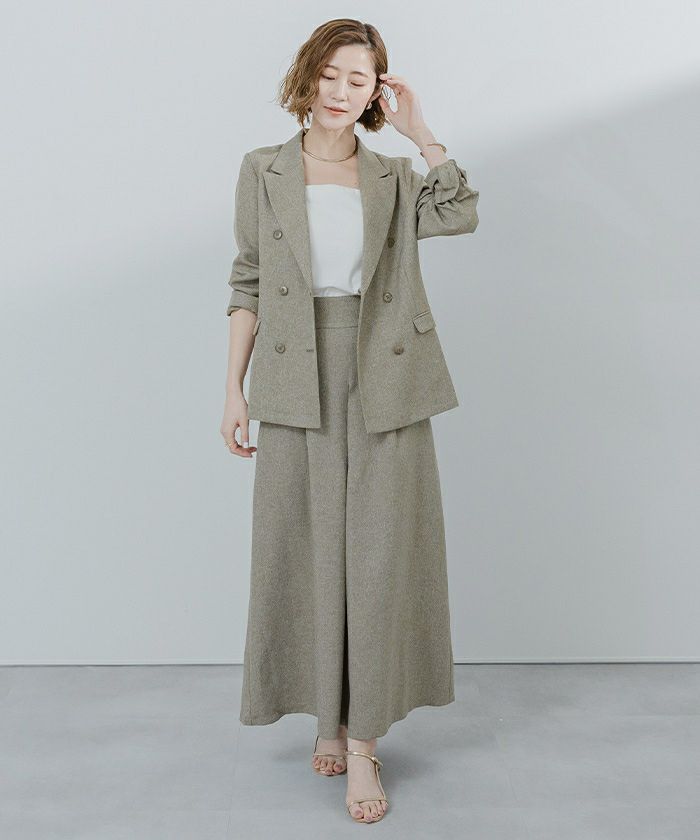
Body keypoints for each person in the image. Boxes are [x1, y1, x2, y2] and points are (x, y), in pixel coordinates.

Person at [220, 18, 479, 824]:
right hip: (294, 370)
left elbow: (459, 212)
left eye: (358, 80)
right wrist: (233, 389)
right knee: (304, 547)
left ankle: (362, 745)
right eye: (330, 74)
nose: (340, 91)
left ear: (376, 93)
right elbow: (248, 279)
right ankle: (325, 719)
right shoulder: (262, 169)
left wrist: (422, 131)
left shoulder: (392, 176)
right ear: (307, 76)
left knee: (376, 554)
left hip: (385, 371)